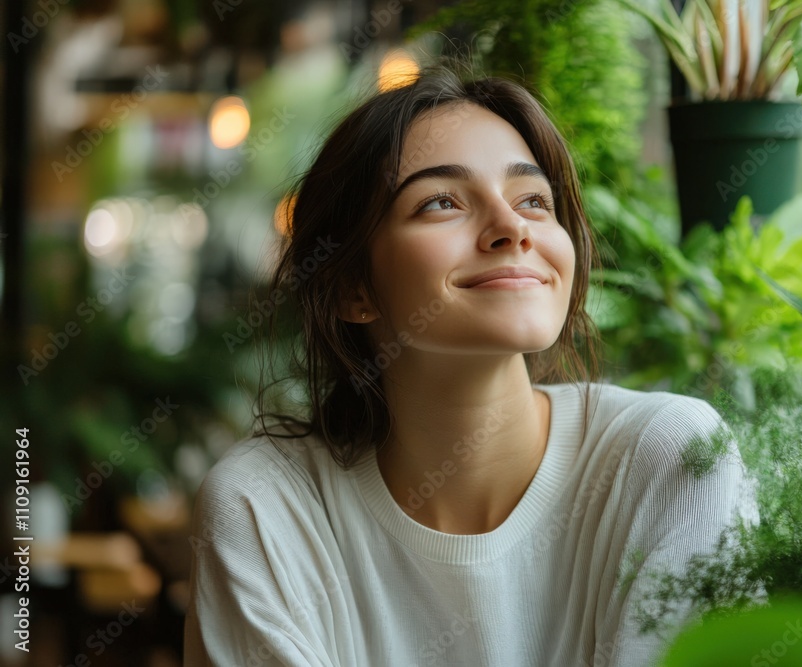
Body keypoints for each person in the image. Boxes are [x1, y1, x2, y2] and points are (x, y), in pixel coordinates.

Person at [183, 65, 757, 666]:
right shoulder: (269, 506)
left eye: (534, 200)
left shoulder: (670, 458)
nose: (513, 228)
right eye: (441, 202)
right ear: (351, 285)